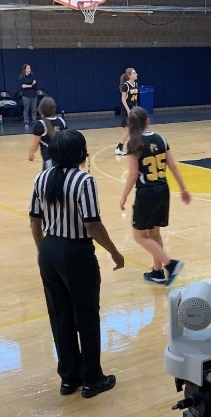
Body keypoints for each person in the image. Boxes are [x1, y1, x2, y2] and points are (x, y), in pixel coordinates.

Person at [29, 129, 124, 399]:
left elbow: (34, 220)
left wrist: (42, 251)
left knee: (60, 317)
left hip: (49, 250)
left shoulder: (41, 177)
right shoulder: (84, 181)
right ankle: (93, 379)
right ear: (81, 153)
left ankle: (69, 378)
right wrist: (115, 253)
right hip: (76, 254)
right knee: (87, 317)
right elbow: (92, 224)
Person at [118, 106, 190, 286]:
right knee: (154, 233)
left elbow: (133, 175)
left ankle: (170, 263)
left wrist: (124, 196)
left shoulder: (133, 144)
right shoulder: (161, 139)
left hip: (147, 193)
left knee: (139, 236)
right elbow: (173, 166)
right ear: (147, 121)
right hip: (163, 190)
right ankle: (157, 272)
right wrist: (183, 188)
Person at [27, 96, 67, 171]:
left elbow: (35, 144)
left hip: (50, 160)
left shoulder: (40, 124)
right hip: (64, 160)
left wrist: (31, 154)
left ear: (41, 108)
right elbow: (68, 140)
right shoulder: (62, 121)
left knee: (50, 181)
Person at [114, 67, 139, 156]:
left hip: (133, 109)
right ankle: (119, 148)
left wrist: (135, 109)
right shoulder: (126, 85)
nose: (136, 74)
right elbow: (123, 99)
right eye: (134, 73)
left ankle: (132, 148)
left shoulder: (135, 84)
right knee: (128, 130)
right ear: (129, 76)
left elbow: (135, 99)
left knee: (132, 130)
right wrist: (128, 110)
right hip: (126, 110)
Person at [18, 63, 38, 130]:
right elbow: (23, 86)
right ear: (25, 69)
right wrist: (31, 85)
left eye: (30, 68)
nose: (29, 69)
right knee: (26, 110)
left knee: (34, 110)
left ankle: (34, 122)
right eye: (28, 68)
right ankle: (26, 122)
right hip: (26, 96)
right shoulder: (21, 77)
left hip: (34, 95)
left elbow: (35, 85)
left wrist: (28, 85)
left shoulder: (32, 76)